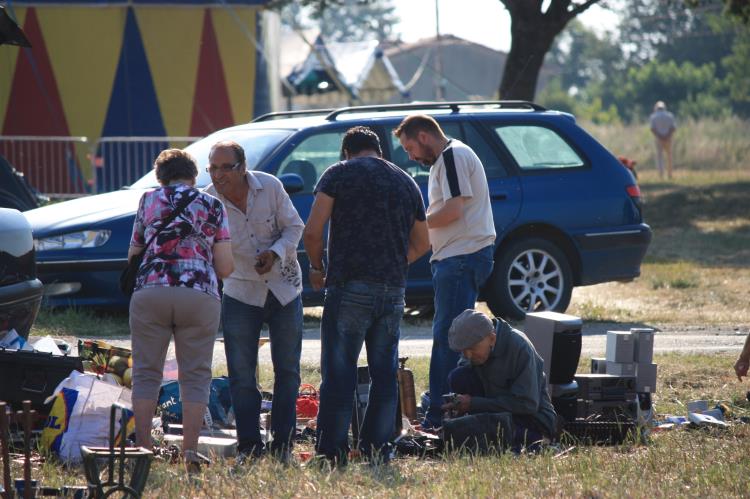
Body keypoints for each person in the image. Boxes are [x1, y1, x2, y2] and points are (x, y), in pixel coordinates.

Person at [303, 126, 430, 465]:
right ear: (379, 151)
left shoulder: (338, 174)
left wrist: (317, 268)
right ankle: (379, 450)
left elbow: (313, 232)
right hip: (392, 290)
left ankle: (332, 452)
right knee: (384, 374)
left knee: (339, 373)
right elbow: (423, 244)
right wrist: (392, 261)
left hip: (349, 287)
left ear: (346, 152)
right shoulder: (406, 181)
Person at [128, 149, 234, 473]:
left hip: (150, 291)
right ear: (194, 175)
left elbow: (134, 253)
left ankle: (143, 450)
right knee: (196, 376)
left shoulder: (148, 200)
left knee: (146, 373)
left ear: (160, 178)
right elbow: (226, 266)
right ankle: (189, 451)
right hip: (199, 294)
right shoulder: (213, 205)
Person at [204, 141, 305, 463]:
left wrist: (274, 254)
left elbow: (294, 227)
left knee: (287, 370)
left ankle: (283, 445)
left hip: (284, 288)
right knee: (242, 374)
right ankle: (249, 448)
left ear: (243, 166)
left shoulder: (270, 186)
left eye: (225, 167)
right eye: (213, 168)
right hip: (240, 291)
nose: (218, 175)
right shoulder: (208, 199)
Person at [394, 114, 496, 429]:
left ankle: (439, 415)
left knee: (449, 339)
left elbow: (453, 210)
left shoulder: (452, 155)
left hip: (462, 256)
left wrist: (416, 223)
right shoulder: (447, 160)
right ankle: (453, 408)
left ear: (424, 136)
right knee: (456, 338)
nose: (410, 156)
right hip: (457, 257)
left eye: (410, 147)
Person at [441, 309, 557, 450]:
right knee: (458, 377)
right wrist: (458, 408)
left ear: (492, 338)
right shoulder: (474, 351)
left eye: (472, 349)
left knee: (490, 435)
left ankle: (540, 442)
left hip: (531, 420)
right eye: (463, 351)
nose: (468, 356)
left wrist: (473, 404)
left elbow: (527, 404)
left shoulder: (520, 347)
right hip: (496, 415)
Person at [649, 101, 677, 179]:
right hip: (669, 138)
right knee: (669, 156)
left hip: (658, 139)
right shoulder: (670, 115)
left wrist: (660, 136)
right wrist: (667, 136)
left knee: (659, 156)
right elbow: (673, 128)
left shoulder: (653, 116)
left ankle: (661, 174)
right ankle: (670, 174)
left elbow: (652, 129)